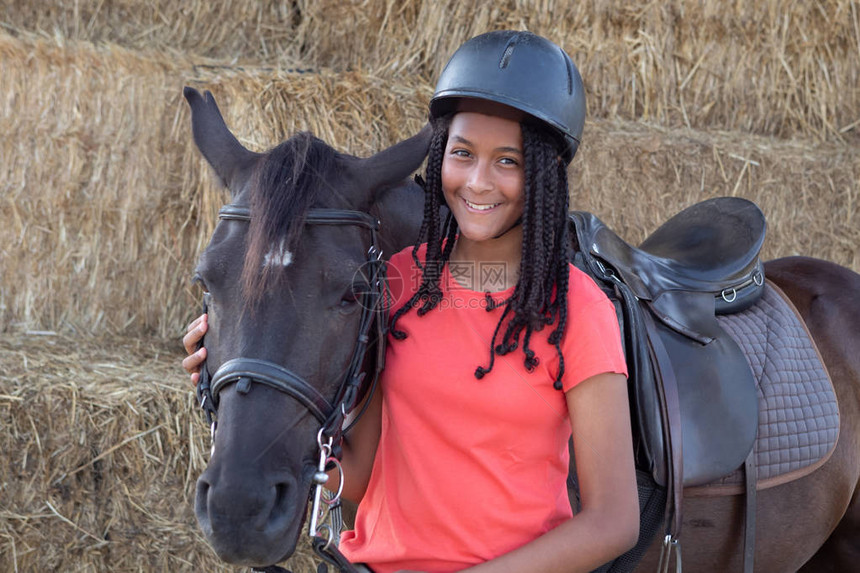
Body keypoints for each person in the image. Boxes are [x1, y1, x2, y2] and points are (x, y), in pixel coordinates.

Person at [183, 30, 638, 573]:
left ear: (544, 174)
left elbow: (614, 520)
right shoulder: (396, 283)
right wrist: (242, 366)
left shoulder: (579, 310)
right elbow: (364, 473)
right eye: (462, 153)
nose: (477, 181)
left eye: (507, 161)